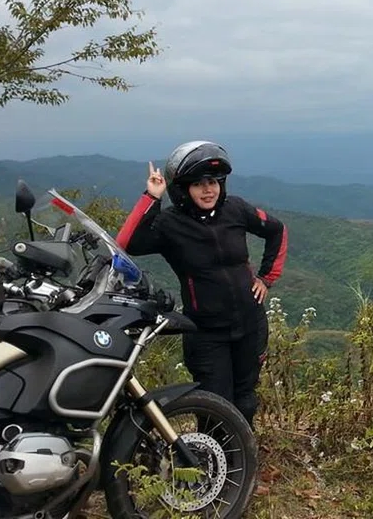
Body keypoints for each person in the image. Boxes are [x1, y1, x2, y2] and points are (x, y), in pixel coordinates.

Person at [115, 140, 288, 429]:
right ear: (183, 189)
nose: (208, 190)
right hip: (207, 333)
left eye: (213, 182)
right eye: (198, 184)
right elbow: (126, 243)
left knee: (245, 398)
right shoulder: (170, 223)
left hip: (250, 323)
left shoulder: (236, 209)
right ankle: (212, 464)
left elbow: (276, 230)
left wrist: (267, 278)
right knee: (213, 404)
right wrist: (151, 197)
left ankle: (241, 461)